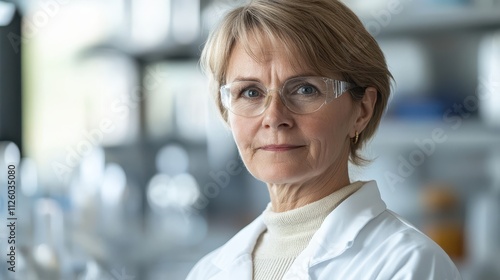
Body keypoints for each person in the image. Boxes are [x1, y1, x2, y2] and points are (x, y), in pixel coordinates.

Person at [187, 0, 462, 279]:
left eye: (305, 89)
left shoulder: (409, 264)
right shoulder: (207, 271)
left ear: (361, 111)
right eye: (250, 92)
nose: (273, 116)